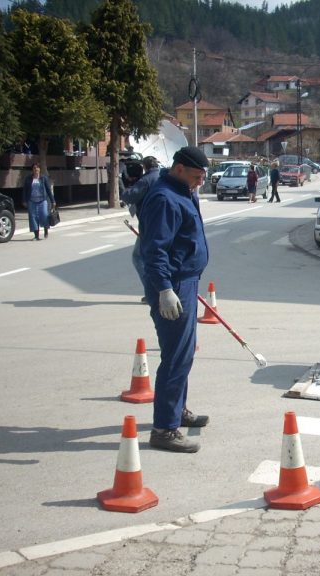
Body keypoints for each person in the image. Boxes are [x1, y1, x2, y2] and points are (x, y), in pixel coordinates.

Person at [138, 146, 210, 453]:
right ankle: (164, 429)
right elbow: (154, 251)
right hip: (174, 286)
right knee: (175, 357)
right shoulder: (164, 198)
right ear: (178, 168)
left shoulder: (184, 190)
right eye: (195, 177)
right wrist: (164, 289)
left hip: (187, 281)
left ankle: (176, 410)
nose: (198, 183)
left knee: (185, 353)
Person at [121, 156, 160, 304]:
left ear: (145, 167)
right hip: (162, 223)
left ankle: (153, 292)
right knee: (158, 257)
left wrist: (124, 183)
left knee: (138, 257)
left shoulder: (146, 180)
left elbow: (129, 197)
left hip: (149, 225)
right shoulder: (163, 177)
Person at [22, 163, 55, 241]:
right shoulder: (28, 179)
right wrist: (24, 200)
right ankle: (36, 236)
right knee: (33, 218)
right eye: (34, 168)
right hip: (31, 201)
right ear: (32, 170)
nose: (36, 170)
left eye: (37, 168)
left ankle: (46, 230)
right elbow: (25, 190)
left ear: (39, 169)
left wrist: (53, 201)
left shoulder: (43, 178)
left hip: (42, 200)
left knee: (44, 215)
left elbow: (48, 190)